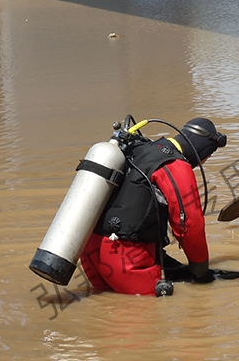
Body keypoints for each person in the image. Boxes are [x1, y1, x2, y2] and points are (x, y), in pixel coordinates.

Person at [80, 118, 227, 295]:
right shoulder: (175, 164)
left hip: (89, 252)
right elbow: (189, 224)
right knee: (144, 318)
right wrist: (201, 271)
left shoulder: (140, 148)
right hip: (126, 260)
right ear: (203, 151)